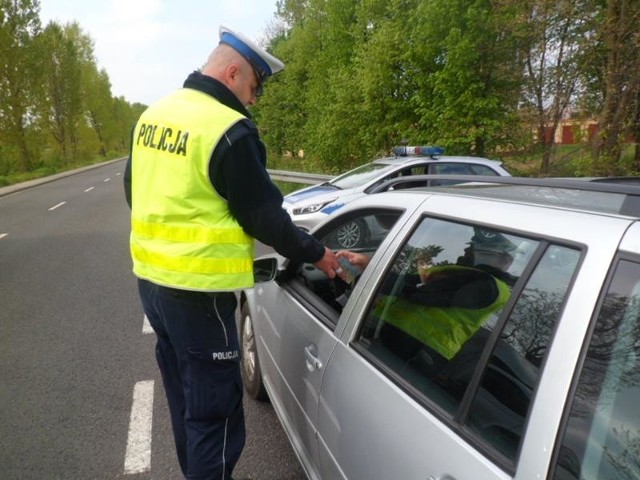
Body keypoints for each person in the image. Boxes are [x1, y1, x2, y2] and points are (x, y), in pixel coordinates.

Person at [123, 25, 339, 480]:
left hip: (153, 288)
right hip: (200, 297)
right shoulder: (227, 130)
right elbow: (266, 218)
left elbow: (133, 191)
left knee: (186, 404)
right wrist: (319, 254)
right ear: (234, 71)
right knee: (214, 418)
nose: (254, 99)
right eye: (254, 87)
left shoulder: (154, 116)